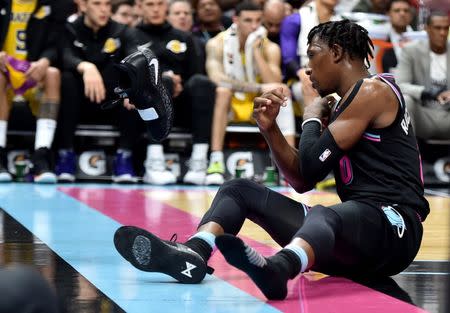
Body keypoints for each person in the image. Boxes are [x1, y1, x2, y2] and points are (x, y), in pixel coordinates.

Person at [113, 19, 429, 300]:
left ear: (335, 52)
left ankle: (280, 269)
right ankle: (194, 252)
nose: (307, 68)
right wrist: (270, 129)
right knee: (238, 190)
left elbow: (311, 166)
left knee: (324, 215)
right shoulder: (342, 106)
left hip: (395, 229)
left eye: (312, 55)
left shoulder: (373, 91)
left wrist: (310, 117)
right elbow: (303, 181)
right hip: (351, 238)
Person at [204, 1, 295, 185]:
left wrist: (255, 52)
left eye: (257, 21)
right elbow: (216, 78)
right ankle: (215, 162)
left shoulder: (269, 47)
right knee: (222, 91)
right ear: (236, 20)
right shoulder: (217, 43)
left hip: (259, 105)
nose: (254, 26)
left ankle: (291, 166)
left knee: (282, 91)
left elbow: (274, 81)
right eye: (247, 20)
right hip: (230, 106)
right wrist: (256, 87)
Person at [55, 0, 140, 183]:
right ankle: (65, 155)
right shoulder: (69, 29)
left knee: (134, 87)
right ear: (83, 6)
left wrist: (132, 83)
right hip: (78, 103)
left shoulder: (122, 31)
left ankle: (124, 158)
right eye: (97, 3)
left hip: (112, 103)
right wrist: (85, 66)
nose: (104, 9)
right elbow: (64, 55)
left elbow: (135, 58)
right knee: (66, 79)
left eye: (108, 4)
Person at [134, 0, 216, 185]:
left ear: (166, 8)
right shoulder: (132, 35)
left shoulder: (184, 38)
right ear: (140, 7)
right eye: (150, 4)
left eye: (160, 4)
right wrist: (165, 79)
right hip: (146, 105)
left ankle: (199, 162)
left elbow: (195, 74)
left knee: (201, 83)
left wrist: (179, 83)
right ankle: (154, 162)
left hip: (182, 104)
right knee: (162, 81)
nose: (155, 9)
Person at [0, 0, 62, 183]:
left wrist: (44, 61)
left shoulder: (49, 6)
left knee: (53, 74)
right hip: (5, 74)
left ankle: (41, 157)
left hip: (33, 73)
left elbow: (57, 41)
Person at [395, 11, 450, 140]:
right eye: (437, 28)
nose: (442, 33)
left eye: (446, 28)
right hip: (423, 115)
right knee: (406, 100)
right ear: (427, 29)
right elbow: (399, 85)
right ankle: (409, 157)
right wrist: (427, 92)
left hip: (448, 114)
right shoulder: (411, 51)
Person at [381, 0, 414, 73]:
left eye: (406, 11)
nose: (402, 14)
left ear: (411, 15)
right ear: (388, 14)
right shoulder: (381, 37)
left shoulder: (418, 39)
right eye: (397, 11)